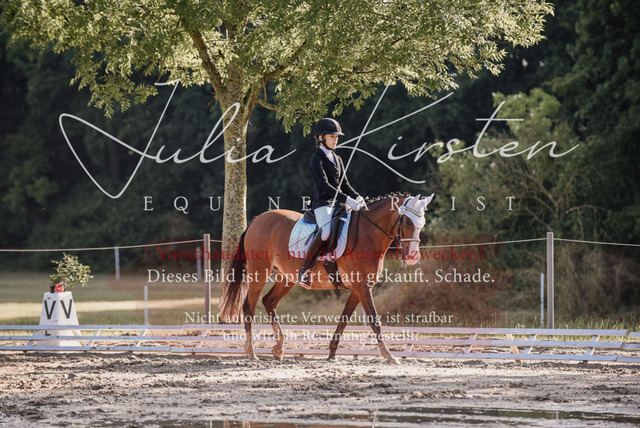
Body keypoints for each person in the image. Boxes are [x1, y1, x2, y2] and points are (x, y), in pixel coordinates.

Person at [298, 118, 365, 286]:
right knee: (326, 232)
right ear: (321, 137)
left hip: (339, 203)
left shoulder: (337, 158)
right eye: (332, 136)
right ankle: (305, 269)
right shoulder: (316, 158)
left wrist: (357, 197)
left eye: (337, 137)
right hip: (323, 203)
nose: (335, 140)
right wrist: (347, 199)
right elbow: (324, 185)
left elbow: (345, 185)